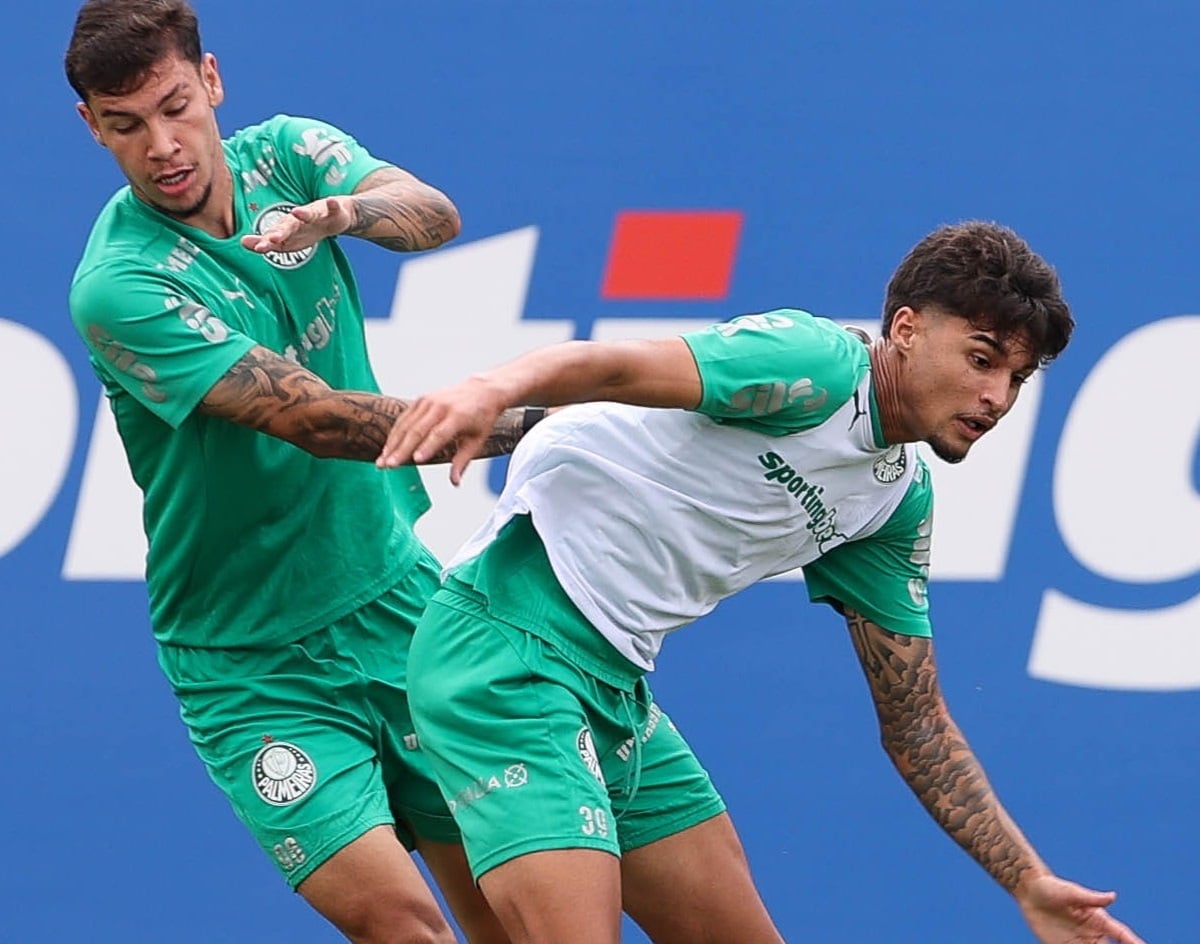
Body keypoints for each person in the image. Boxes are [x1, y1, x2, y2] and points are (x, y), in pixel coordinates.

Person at [377, 221, 1146, 944]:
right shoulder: (816, 365)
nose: (997, 398)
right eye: (982, 360)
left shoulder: (892, 501)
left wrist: (1027, 882)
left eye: (1016, 378)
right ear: (907, 329)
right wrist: (490, 388)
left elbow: (916, 724)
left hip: (612, 689)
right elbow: (615, 366)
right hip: (501, 654)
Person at [64, 1, 530, 941]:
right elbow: (314, 421)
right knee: (404, 925)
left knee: (507, 909)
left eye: (175, 106)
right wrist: (533, 421)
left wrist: (342, 214)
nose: (162, 146)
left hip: (396, 597)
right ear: (92, 126)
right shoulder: (120, 285)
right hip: (252, 660)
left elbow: (434, 215)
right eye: (127, 125)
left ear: (212, 81)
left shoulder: (286, 153)